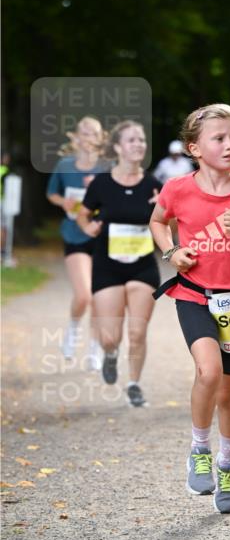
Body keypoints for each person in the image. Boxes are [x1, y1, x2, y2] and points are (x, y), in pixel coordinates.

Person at [150, 103, 230, 513]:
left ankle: (228, 463)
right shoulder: (177, 189)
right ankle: (199, 449)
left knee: (228, 390)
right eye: (219, 139)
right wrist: (172, 250)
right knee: (206, 371)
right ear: (194, 147)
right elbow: (157, 221)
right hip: (193, 294)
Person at [77, 121, 160, 407]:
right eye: (131, 140)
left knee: (137, 331)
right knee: (110, 337)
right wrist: (87, 228)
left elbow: (168, 224)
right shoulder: (101, 183)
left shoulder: (154, 185)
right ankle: (110, 355)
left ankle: (134, 384)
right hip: (107, 265)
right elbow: (82, 215)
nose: (138, 144)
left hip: (143, 266)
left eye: (141, 140)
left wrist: (164, 207)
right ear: (117, 147)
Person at [46, 116, 107, 365]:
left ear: (99, 138)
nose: (87, 136)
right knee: (84, 295)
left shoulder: (107, 167)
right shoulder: (65, 164)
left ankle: (94, 348)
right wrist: (64, 202)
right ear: (76, 137)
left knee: (100, 296)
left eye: (92, 132)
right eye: (83, 131)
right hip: (74, 234)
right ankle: (72, 330)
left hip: (101, 235)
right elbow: (51, 193)